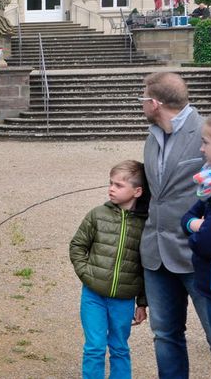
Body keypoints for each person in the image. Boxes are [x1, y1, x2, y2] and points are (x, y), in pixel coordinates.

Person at [139, 71, 211, 377]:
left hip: (198, 254)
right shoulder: (152, 135)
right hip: (156, 257)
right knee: (166, 336)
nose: (140, 104)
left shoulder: (205, 131)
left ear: (155, 103)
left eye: (143, 98)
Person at [69, 160, 149, 378]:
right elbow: (77, 246)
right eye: (110, 183)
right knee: (94, 347)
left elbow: (146, 267)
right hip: (93, 296)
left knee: (119, 347)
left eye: (119, 185)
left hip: (123, 300)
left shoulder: (145, 224)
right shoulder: (97, 215)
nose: (111, 188)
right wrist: (87, 274)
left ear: (137, 191)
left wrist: (142, 302)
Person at [182, 114, 211, 353]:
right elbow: (186, 217)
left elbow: (205, 242)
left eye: (206, 142)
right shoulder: (210, 183)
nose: (201, 149)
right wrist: (197, 224)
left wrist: (196, 228)